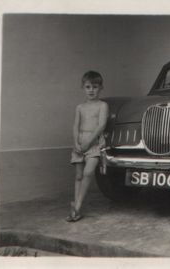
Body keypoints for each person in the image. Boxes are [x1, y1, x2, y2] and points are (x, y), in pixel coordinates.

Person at [66, 71, 109, 222]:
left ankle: (77, 205)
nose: (91, 90)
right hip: (80, 142)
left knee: (88, 172)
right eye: (88, 86)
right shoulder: (80, 107)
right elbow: (75, 126)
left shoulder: (102, 105)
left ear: (101, 87)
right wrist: (76, 142)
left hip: (94, 143)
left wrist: (88, 142)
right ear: (83, 87)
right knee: (78, 175)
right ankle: (77, 209)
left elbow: (101, 125)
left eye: (95, 87)